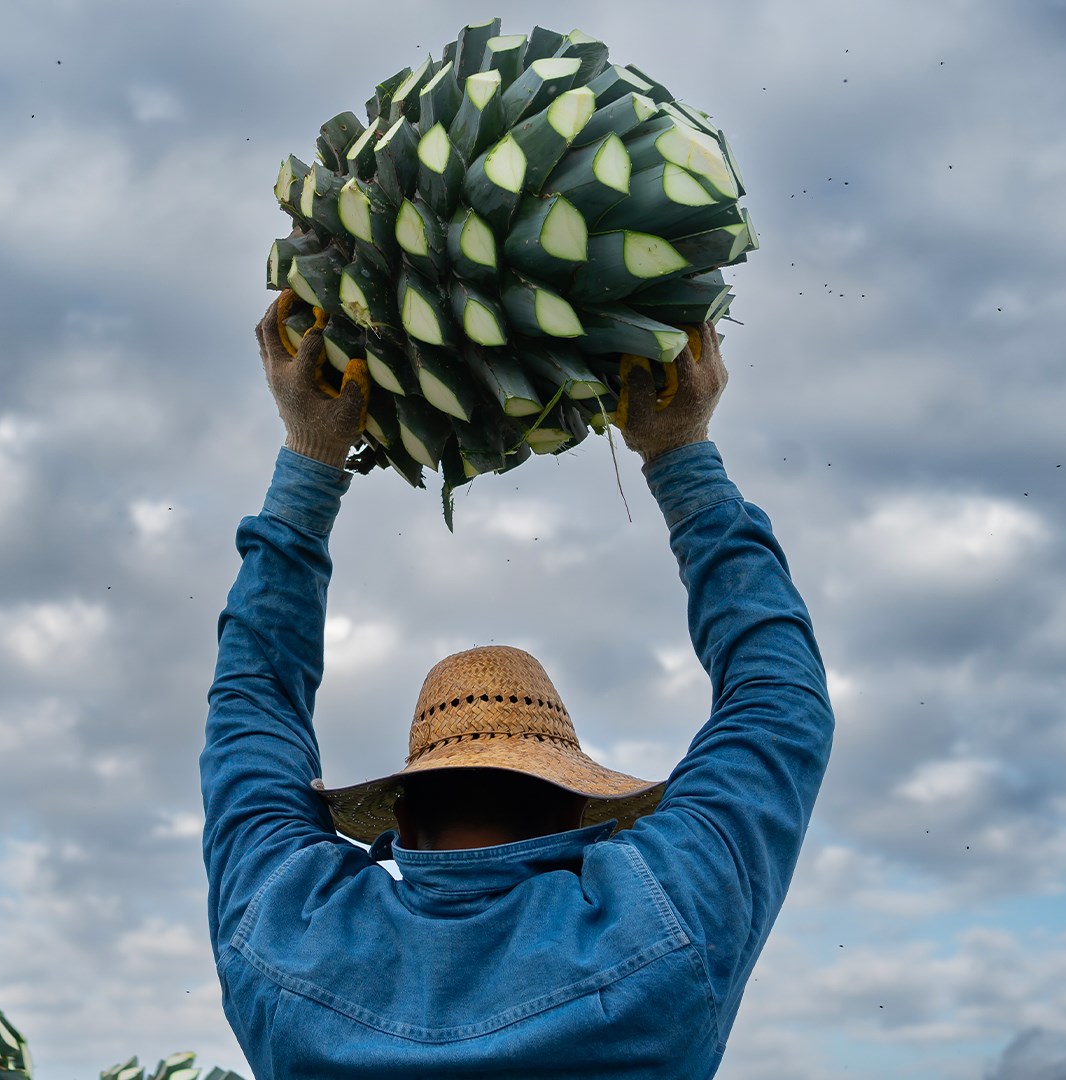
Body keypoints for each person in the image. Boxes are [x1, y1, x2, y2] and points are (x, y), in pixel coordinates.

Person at [202, 291, 835, 1078]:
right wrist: (681, 453)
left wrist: (309, 458)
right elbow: (780, 708)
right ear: (580, 806)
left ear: (398, 811)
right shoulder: (660, 917)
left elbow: (250, 710)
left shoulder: (291, 934)